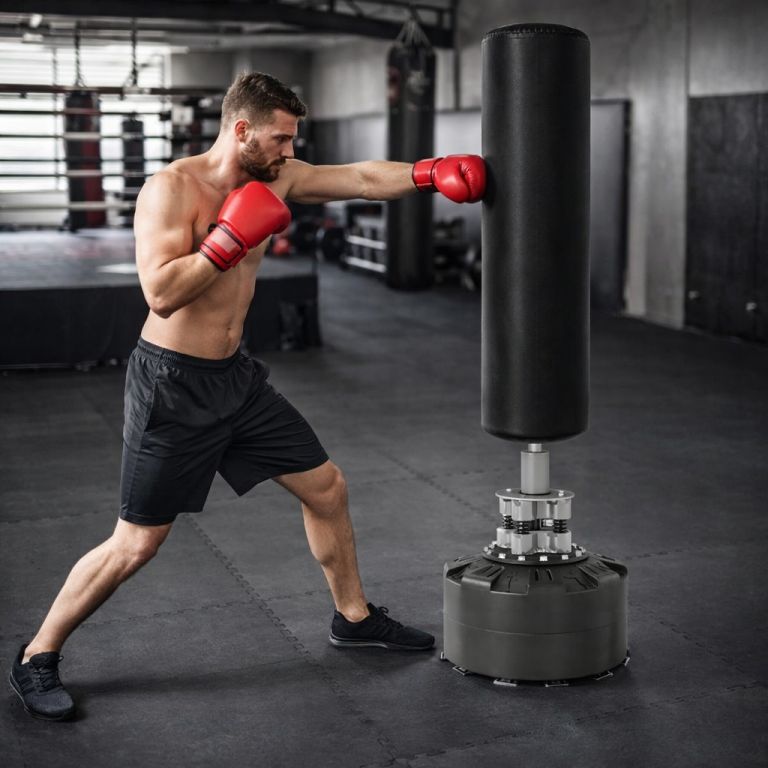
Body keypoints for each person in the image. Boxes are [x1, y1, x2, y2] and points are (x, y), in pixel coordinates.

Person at [10, 72, 486, 721]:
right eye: (282, 139)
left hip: (237, 380)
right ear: (242, 131)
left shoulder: (278, 177)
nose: (291, 151)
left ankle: (353, 618)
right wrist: (227, 241)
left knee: (327, 488)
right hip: (173, 385)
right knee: (137, 542)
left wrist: (430, 173)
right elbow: (160, 293)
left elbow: (360, 178)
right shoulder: (172, 189)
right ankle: (37, 653)